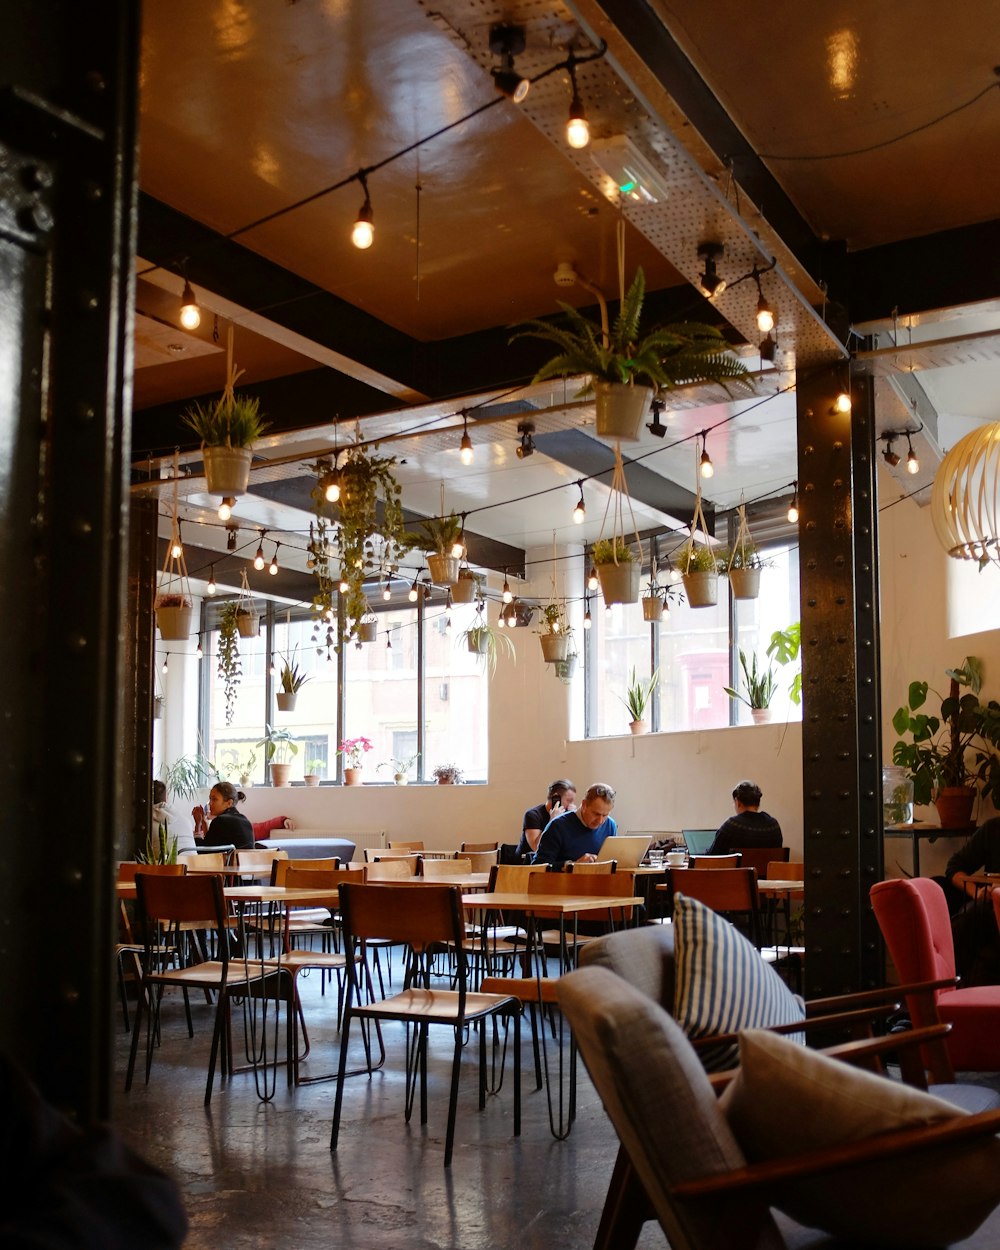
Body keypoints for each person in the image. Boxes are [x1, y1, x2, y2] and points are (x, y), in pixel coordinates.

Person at [942, 817, 1000, 985]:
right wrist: (977, 892)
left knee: (976, 916)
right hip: (990, 907)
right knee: (973, 914)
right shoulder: (994, 828)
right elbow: (954, 868)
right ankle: (942, 988)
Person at [532, 782, 616, 867]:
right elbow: (538, 866)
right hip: (564, 879)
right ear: (584, 805)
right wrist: (572, 865)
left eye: (605, 815)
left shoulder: (610, 825)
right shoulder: (558, 826)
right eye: (596, 814)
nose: (600, 821)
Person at [708, 780, 782, 854]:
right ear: (758, 803)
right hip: (764, 866)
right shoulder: (773, 826)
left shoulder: (731, 826)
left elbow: (710, 857)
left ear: (738, 802)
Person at [516, 779, 577, 859]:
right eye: (569, 801)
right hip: (526, 863)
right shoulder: (532, 815)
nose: (571, 805)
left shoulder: (565, 816)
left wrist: (573, 820)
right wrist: (552, 822)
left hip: (550, 860)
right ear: (556, 798)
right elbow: (536, 847)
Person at [192, 781, 254, 850]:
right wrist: (203, 821)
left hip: (228, 861)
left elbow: (202, 851)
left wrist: (198, 824)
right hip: (245, 860)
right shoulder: (244, 820)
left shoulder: (221, 821)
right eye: (210, 799)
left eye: (214, 799)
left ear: (229, 803)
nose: (210, 803)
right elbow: (211, 843)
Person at [151, 780, 196, 853]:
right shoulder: (186, 820)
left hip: (168, 864)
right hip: (194, 863)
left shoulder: (147, 824)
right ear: (166, 797)